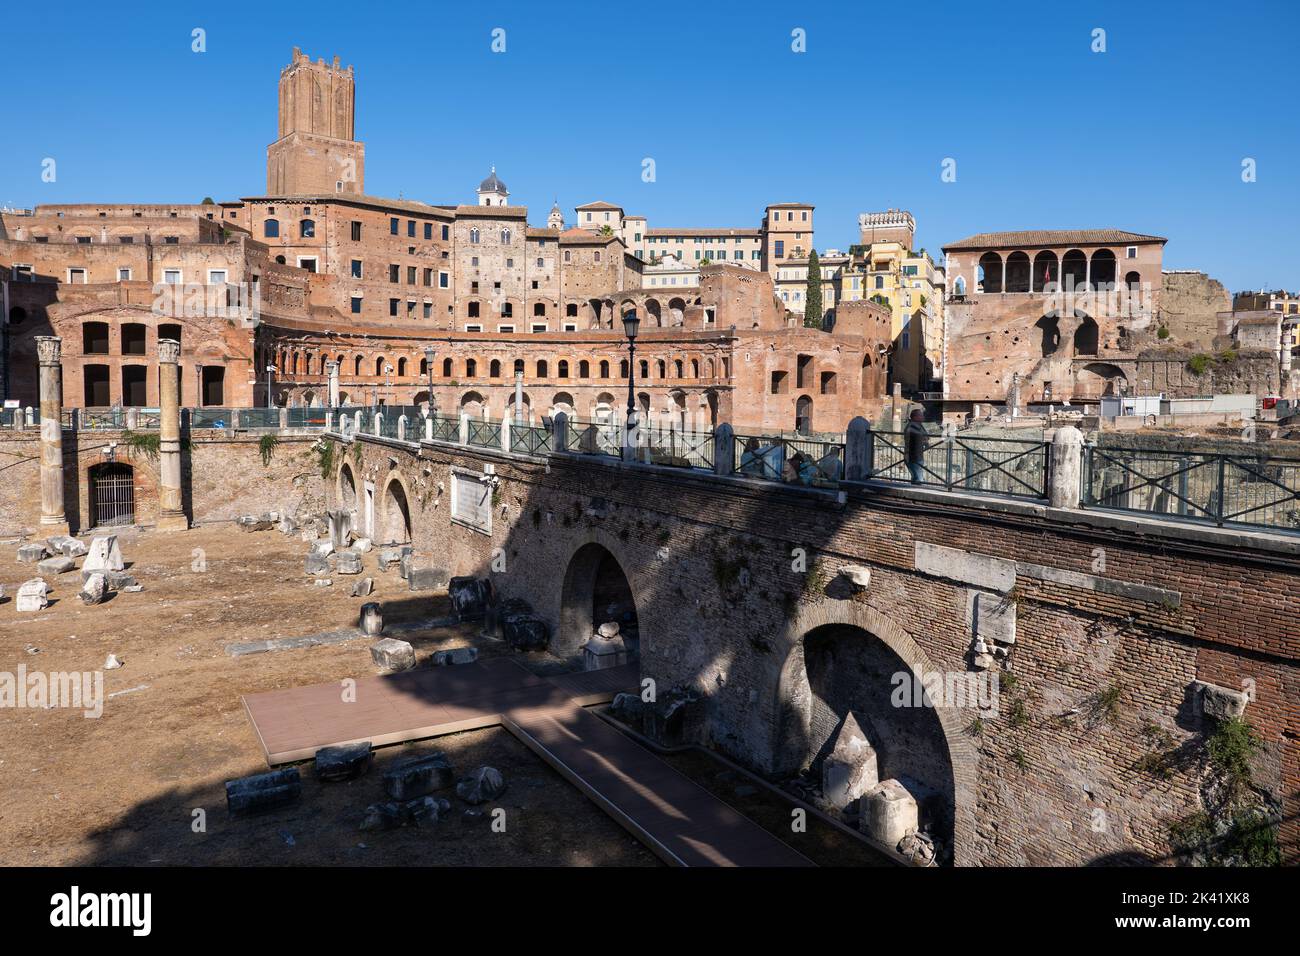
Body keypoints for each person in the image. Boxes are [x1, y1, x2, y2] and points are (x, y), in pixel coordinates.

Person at [903, 408, 929, 483]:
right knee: (919, 479)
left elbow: (925, 437)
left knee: (915, 478)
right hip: (913, 456)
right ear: (915, 417)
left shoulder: (919, 426)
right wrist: (925, 440)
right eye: (921, 415)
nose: (923, 417)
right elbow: (922, 436)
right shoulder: (912, 427)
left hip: (917, 455)